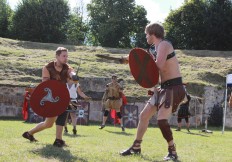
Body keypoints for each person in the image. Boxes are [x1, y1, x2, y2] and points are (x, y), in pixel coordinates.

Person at [119, 22, 186, 161]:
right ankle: (136, 147)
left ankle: (172, 151)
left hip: (173, 88)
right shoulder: (156, 48)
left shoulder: (164, 45)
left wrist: (136, 62)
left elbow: (157, 66)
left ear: (152, 33)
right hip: (163, 88)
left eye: (146, 34)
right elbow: (150, 63)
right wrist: (132, 60)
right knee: (144, 116)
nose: (145, 37)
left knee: (161, 120)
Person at [22, 47, 78, 147]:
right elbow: (45, 84)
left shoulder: (67, 67)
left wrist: (74, 76)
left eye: (67, 56)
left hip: (61, 97)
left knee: (62, 114)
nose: (66, 58)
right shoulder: (47, 67)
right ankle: (29, 133)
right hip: (50, 98)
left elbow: (71, 73)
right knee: (48, 124)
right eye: (63, 56)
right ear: (57, 56)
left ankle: (58, 140)